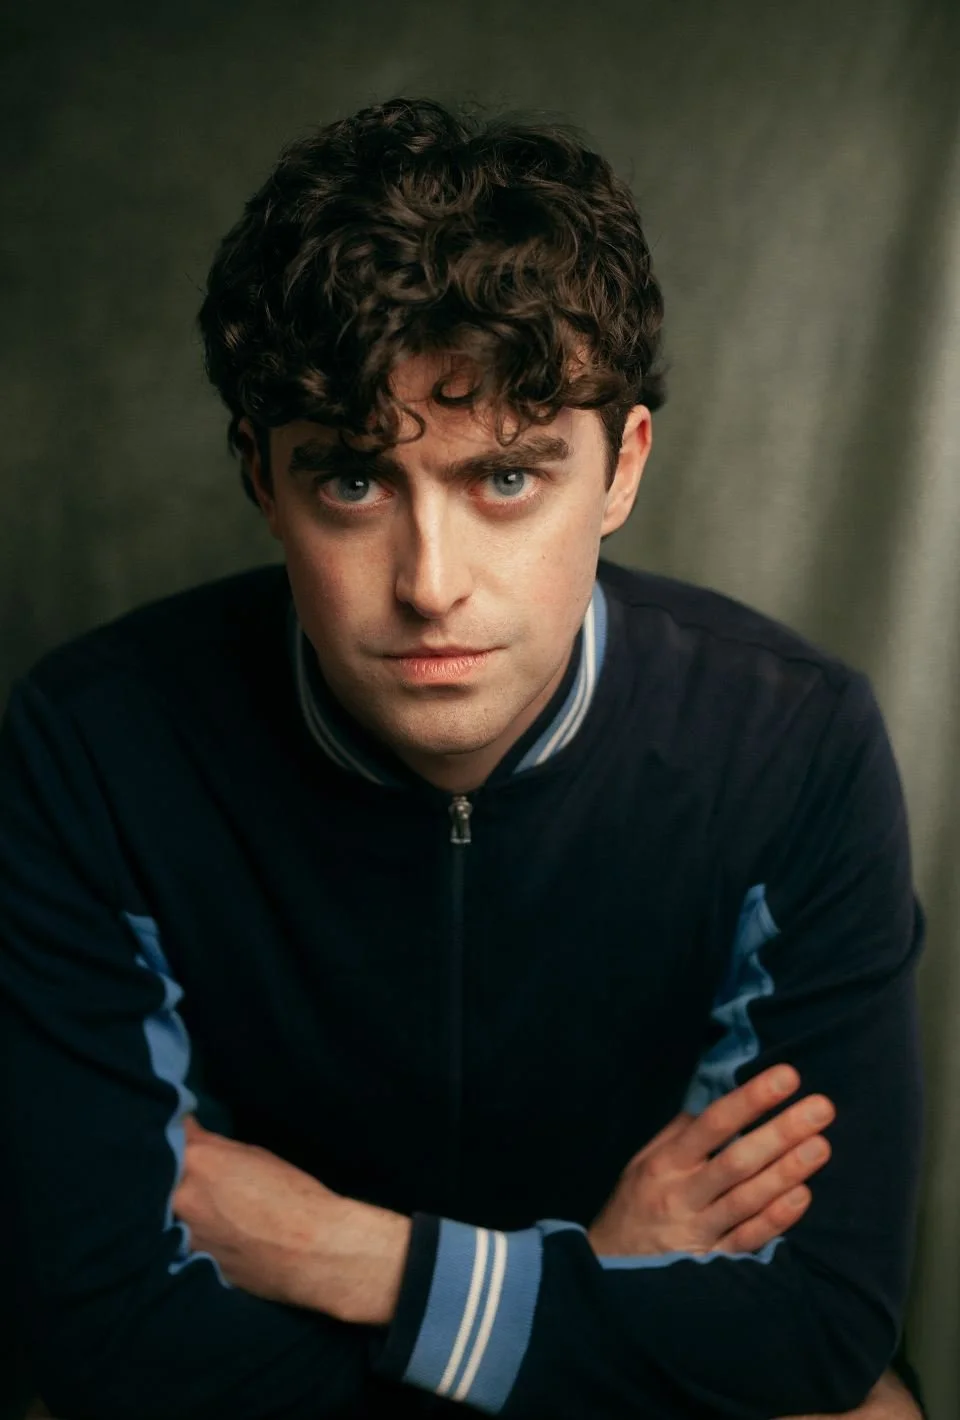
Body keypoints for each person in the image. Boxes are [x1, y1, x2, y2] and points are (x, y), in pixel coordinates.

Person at [0, 96, 927, 1420]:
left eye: (505, 481)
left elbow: (816, 1324)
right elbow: (101, 1333)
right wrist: (594, 1281)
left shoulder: (791, 742)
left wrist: (352, 1256)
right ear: (262, 477)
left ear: (621, 471)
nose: (431, 588)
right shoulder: (92, 744)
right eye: (356, 484)